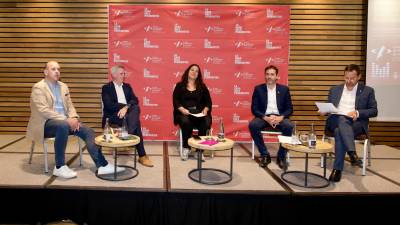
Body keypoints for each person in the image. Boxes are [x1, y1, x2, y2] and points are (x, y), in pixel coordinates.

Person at [26, 61, 124, 179]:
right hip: (45, 123)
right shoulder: (38, 88)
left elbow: (70, 106)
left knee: (88, 131)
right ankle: (59, 167)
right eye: (53, 69)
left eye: (58, 69)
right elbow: (43, 110)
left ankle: (102, 165)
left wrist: (74, 118)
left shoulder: (63, 86)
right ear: (46, 72)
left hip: (66, 122)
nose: (57, 71)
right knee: (62, 125)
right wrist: (67, 120)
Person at [321, 64, 378, 182]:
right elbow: (329, 107)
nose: (349, 81)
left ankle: (337, 169)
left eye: (352, 78)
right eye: (346, 78)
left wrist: (357, 112)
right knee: (342, 119)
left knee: (339, 131)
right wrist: (324, 111)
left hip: (355, 123)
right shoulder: (335, 89)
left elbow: (374, 111)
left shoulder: (368, 91)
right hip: (335, 120)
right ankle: (352, 153)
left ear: (359, 77)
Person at [102, 64, 153, 167]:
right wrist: (125, 107)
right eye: (121, 73)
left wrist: (126, 108)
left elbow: (135, 99)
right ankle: (142, 155)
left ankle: (128, 132)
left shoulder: (127, 87)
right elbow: (109, 105)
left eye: (124, 73)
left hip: (128, 114)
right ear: (114, 75)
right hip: (114, 116)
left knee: (136, 108)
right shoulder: (106, 88)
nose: (124, 75)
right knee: (136, 122)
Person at [249, 65, 293, 169]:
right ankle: (265, 155)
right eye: (267, 74)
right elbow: (254, 109)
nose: (269, 76)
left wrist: (281, 117)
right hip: (264, 117)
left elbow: (290, 109)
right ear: (265, 76)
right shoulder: (258, 89)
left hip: (280, 117)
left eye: (272, 74)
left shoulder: (284, 89)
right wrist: (265, 118)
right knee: (253, 125)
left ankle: (281, 157)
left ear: (277, 76)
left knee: (289, 126)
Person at [173, 64, 212, 160]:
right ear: (187, 71)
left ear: (199, 74)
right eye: (192, 70)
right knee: (186, 122)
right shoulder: (180, 86)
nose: (194, 72)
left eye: (197, 71)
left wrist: (206, 109)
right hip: (184, 112)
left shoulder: (202, 87)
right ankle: (186, 147)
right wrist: (182, 109)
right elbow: (175, 100)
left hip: (199, 113)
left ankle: (199, 150)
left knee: (206, 122)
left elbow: (208, 101)